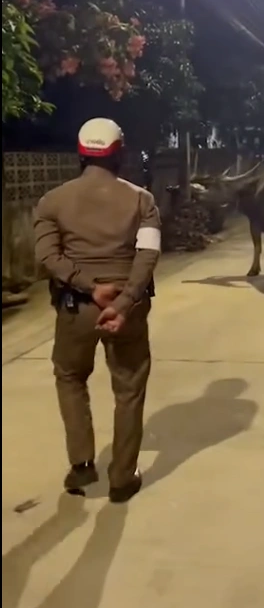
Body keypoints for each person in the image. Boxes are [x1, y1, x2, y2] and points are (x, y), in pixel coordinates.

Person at [34, 118, 161, 502]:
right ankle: (122, 478)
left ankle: (82, 464)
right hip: (128, 309)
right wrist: (123, 301)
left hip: (76, 308)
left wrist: (89, 286)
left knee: (70, 376)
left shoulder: (52, 201)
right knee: (129, 387)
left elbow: (47, 256)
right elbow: (148, 255)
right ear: (119, 154)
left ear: (81, 154)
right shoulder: (142, 200)